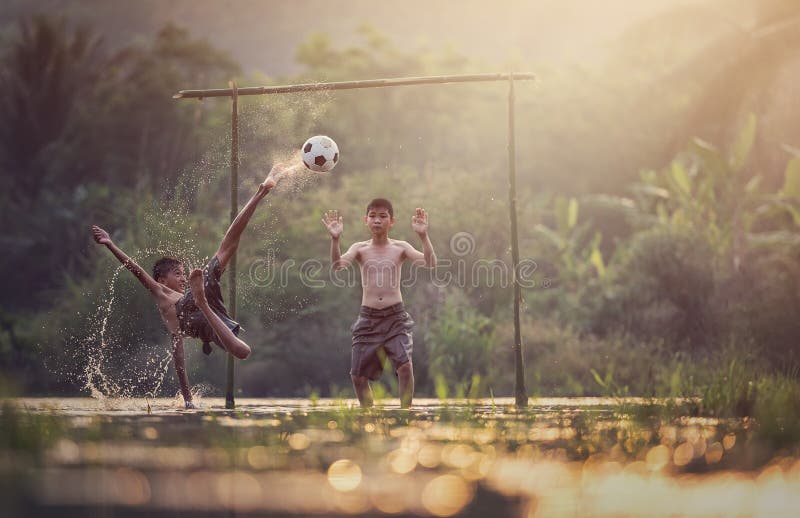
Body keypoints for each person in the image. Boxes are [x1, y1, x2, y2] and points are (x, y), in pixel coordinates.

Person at [92, 165, 285, 408]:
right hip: (201, 314)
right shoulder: (162, 294)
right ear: (162, 280)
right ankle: (202, 301)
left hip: (207, 308)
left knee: (228, 247)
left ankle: (261, 192)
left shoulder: (181, 298)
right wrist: (110, 244)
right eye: (177, 274)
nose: (182, 278)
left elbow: (179, 354)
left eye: (184, 274)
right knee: (243, 351)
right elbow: (136, 270)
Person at [322, 198, 437, 408]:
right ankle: (369, 417)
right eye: (373, 216)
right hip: (368, 318)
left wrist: (423, 236)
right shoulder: (360, 249)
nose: (377, 220)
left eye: (382, 216)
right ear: (366, 220)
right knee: (357, 376)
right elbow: (338, 265)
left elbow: (430, 263)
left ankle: (405, 413)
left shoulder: (400, 247)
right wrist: (335, 240)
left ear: (391, 221)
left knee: (405, 367)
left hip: (396, 317)